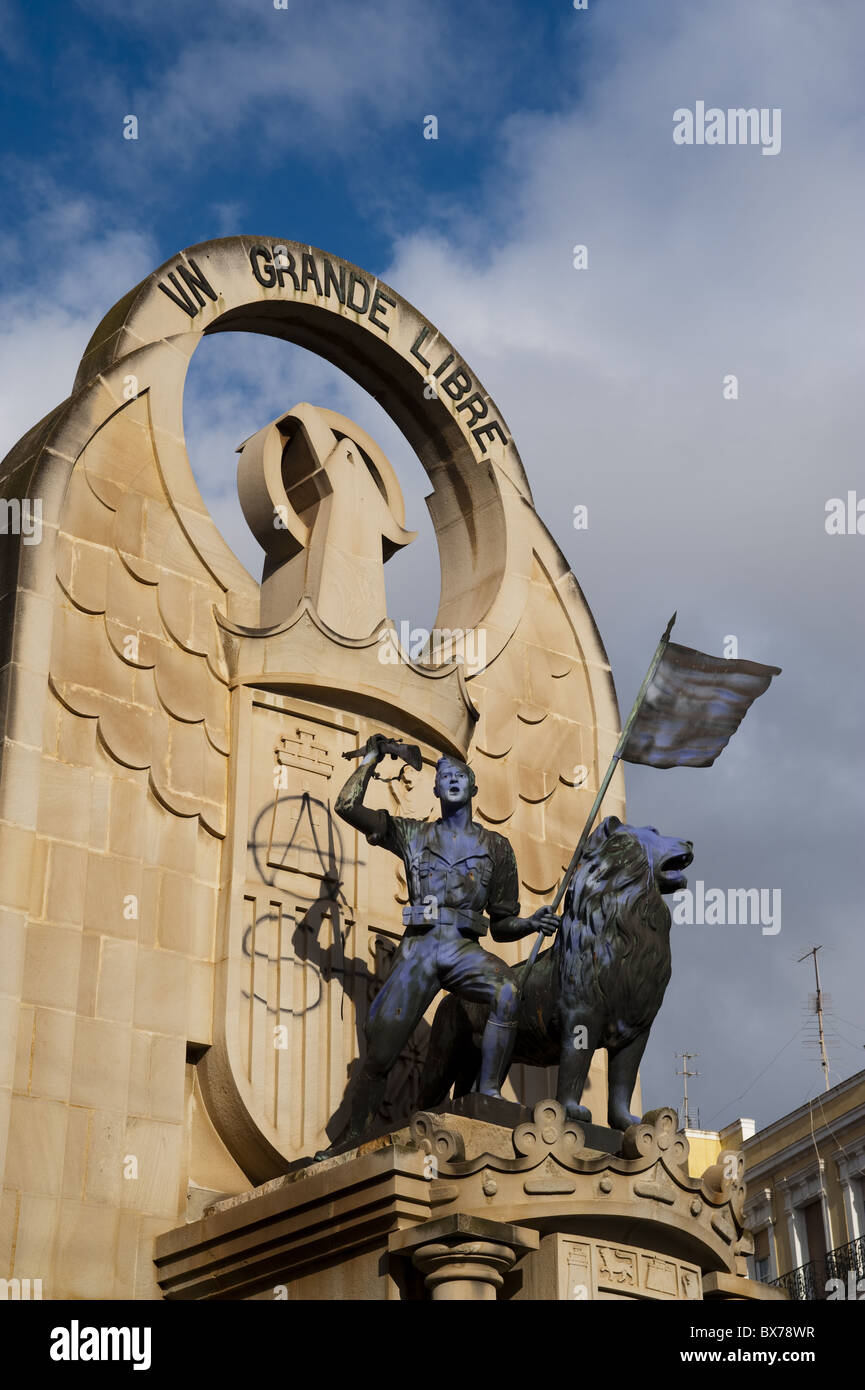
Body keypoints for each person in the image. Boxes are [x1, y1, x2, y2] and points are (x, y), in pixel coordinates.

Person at [330, 734, 558, 1149]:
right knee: (381, 1052)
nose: (452, 780)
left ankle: (487, 1094)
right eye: (445, 776)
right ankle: (352, 1135)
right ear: (436, 789)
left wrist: (530, 924)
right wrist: (372, 759)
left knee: (507, 990)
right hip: (420, 947)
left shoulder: (497, 849)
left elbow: (502, 923)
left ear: (472, 788)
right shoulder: (411, 834)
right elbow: (346, 806)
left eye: (460, 776)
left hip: (462, 947)